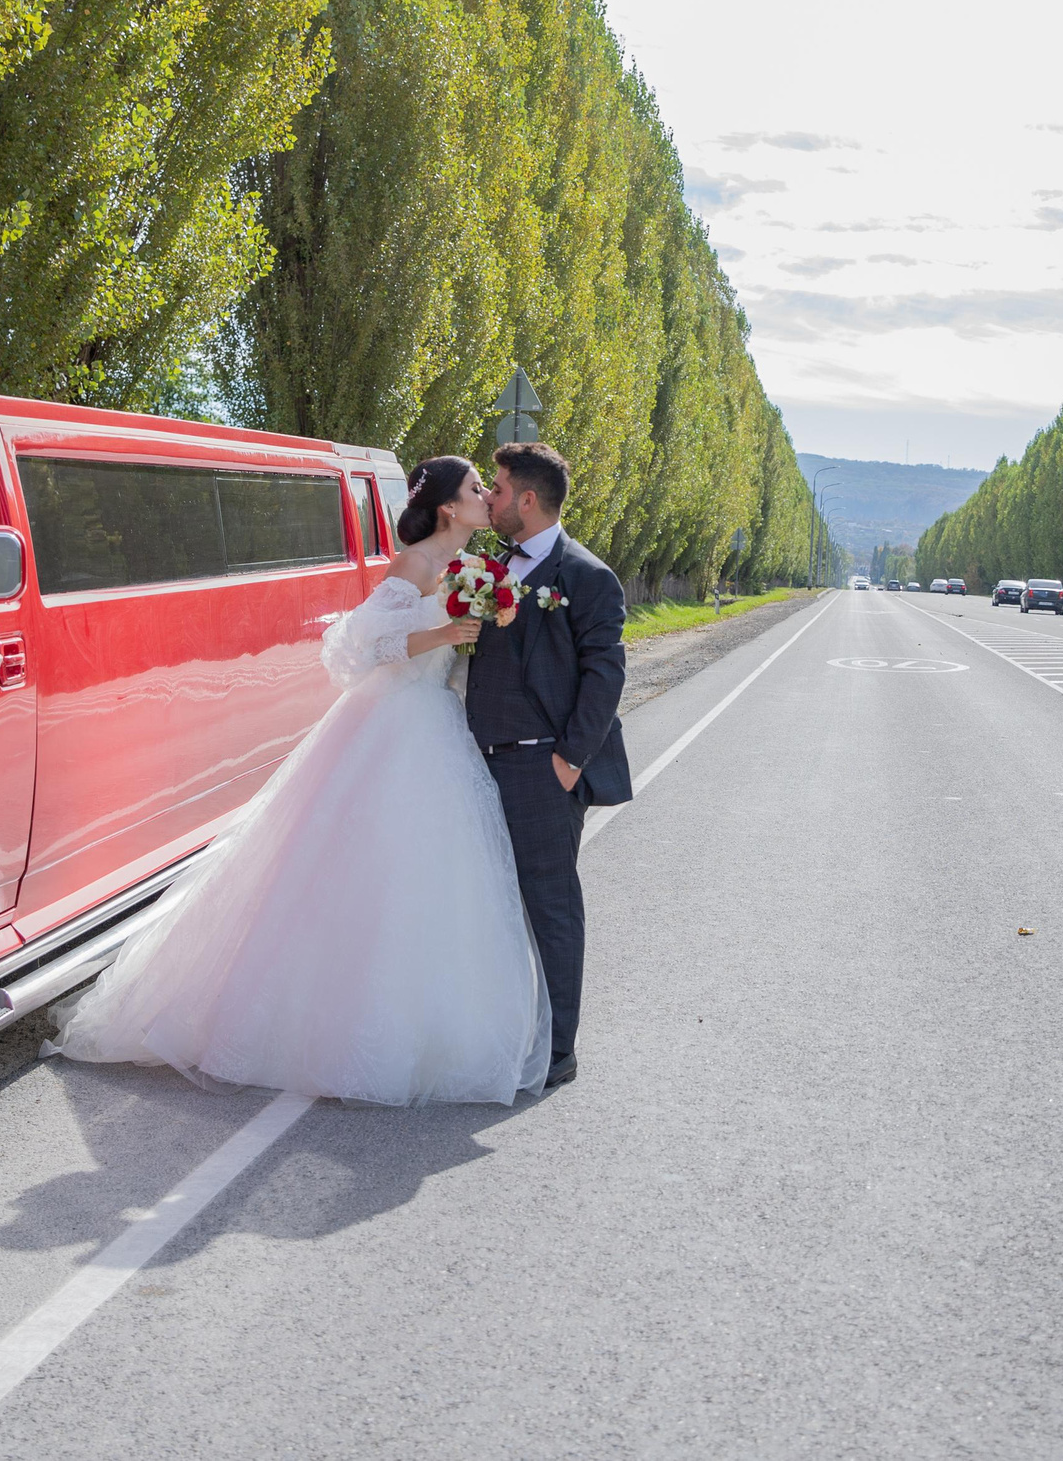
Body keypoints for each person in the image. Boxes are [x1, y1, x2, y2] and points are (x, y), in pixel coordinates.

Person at [49, 456, 552, 1105]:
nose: (488, 496)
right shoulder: (415, 565)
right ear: (450, 508)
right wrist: (444, 633)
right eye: (476, 489)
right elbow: (358, 649)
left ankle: (424, 1027)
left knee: (432, 879)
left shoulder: (463, 570)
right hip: (395, 727)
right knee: (361, 874)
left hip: (434, 725)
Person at [464, 442, 630, 1091]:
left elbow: (606, 673)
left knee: (550, 907)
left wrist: (568, 761)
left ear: (528, 499)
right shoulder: (492, 565)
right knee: (495, 906)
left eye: (499, 489)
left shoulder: (586, 576)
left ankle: (559, 1048)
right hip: (482, 765)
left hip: (542, 769)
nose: (492, 499)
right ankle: (508, 1029)